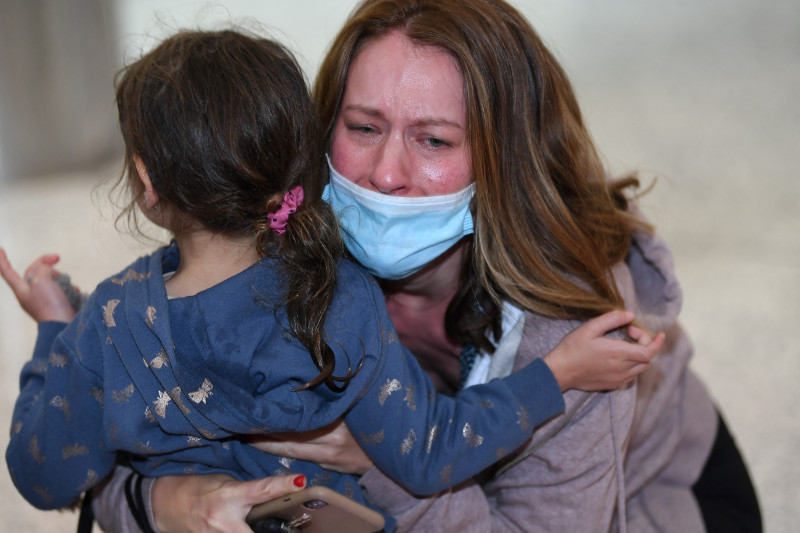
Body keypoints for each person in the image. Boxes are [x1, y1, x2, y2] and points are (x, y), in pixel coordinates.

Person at [96, 1, 763, 532]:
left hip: (656, 498)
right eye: (362, 128)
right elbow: (104, 439)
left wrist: (384, 462)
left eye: (434, 139)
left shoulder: (583, 336)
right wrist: (169, 502)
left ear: (506, 163)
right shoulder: (268, 240)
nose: (386, 173)